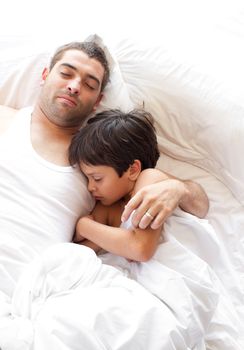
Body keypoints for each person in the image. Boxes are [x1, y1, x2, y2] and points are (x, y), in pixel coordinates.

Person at [68, 108, 205, 261]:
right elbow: (80, 253)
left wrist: (83, 226)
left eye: (97, 178)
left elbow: (140, 250)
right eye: (87, 179)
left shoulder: (150, 179)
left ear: (132, 170)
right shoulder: (108, 207)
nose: (90, 187)